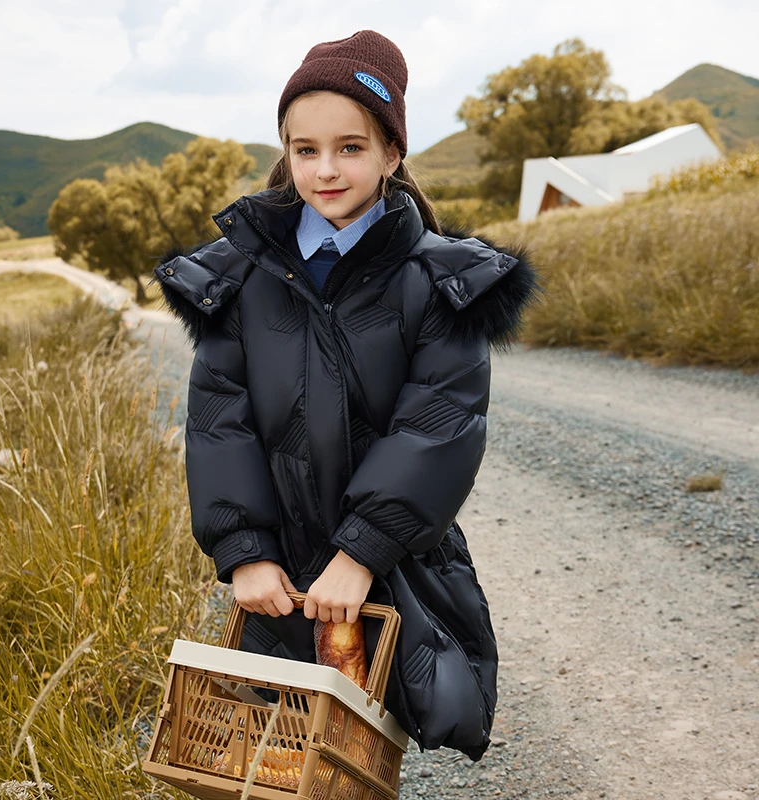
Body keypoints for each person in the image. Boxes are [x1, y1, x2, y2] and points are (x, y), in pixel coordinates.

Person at [154, 30, 539, 761]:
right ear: (287, 151)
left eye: (350, 148)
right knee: (277, 750)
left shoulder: (442, 284)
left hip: (392, 561)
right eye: (306, 150)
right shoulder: (238, 278)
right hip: (281, 570)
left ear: (392, 152)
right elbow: (218, 421)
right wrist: (243, 550)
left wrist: (360, 552)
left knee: (364, 751)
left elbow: (439, 425)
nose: (325, 170)